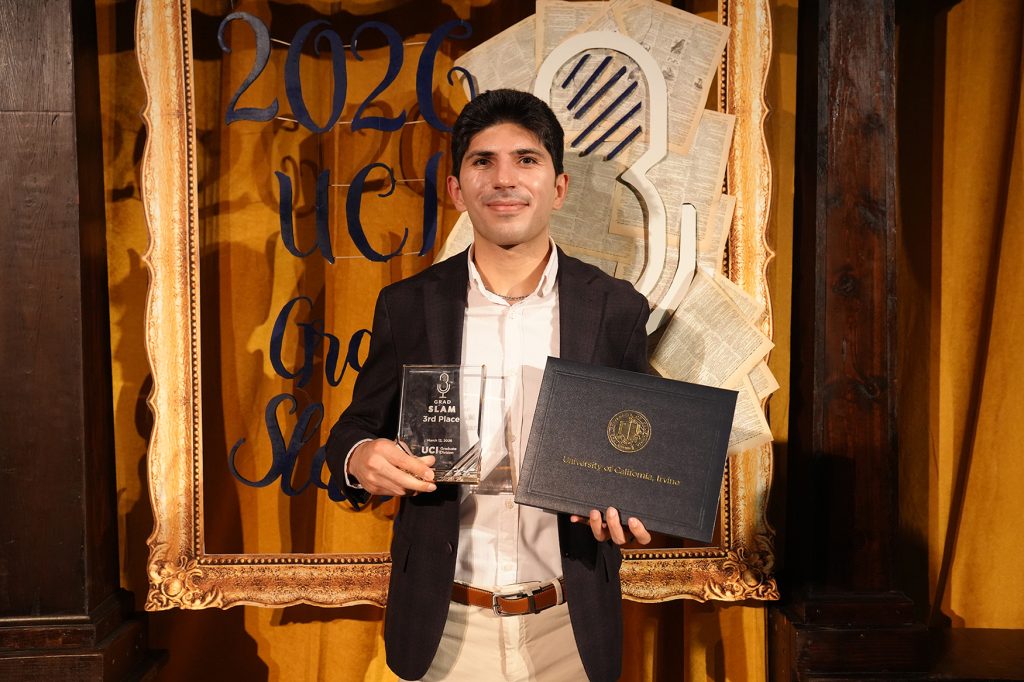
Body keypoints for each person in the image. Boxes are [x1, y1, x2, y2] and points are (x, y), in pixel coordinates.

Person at [326, 89, 652, 682]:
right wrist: (359, 456)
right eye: (483, 161)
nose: (505, 178)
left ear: (558, 187)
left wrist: (632, 506)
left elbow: (636, 449)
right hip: (446, 624)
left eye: (526, 159)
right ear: (457, 189)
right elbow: (353, 428)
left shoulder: (616, 308)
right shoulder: (408, 305)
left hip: (570, 625)